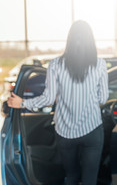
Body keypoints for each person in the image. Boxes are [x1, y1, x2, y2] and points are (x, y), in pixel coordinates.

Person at [7, 20, 109, 185]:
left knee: (71, 176)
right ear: (91, 40)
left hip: (65, 132)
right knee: (90, 180)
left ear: (69, 40)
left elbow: (48, 99)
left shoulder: (55, 65)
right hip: (92, 130)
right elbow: (103, 98)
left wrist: (22, 103)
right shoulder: (100, 65)